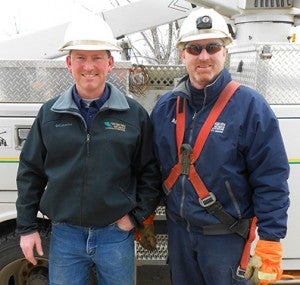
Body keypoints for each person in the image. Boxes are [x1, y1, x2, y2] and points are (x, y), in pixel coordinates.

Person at [16, 14, 161, 285]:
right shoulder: (50, 114)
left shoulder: (133, 115)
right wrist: (26, 227)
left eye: (97, 58)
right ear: (69, 64)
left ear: (110, 63)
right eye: (81, 57)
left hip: (115, 235)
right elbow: (30, 172)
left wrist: (135, 216)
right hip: (65, 236)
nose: (89, 66)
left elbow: (151, 172)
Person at [150, 7, 290, 285]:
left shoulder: (250, 107)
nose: (203, 56)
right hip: (180, 236)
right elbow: (151, 168)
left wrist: (271, 239)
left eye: (212, 47)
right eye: (194, 48)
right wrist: (146, 211)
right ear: (183, 54)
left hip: (226, 239)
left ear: (225, 51)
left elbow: (271, 177)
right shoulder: (166, 108)